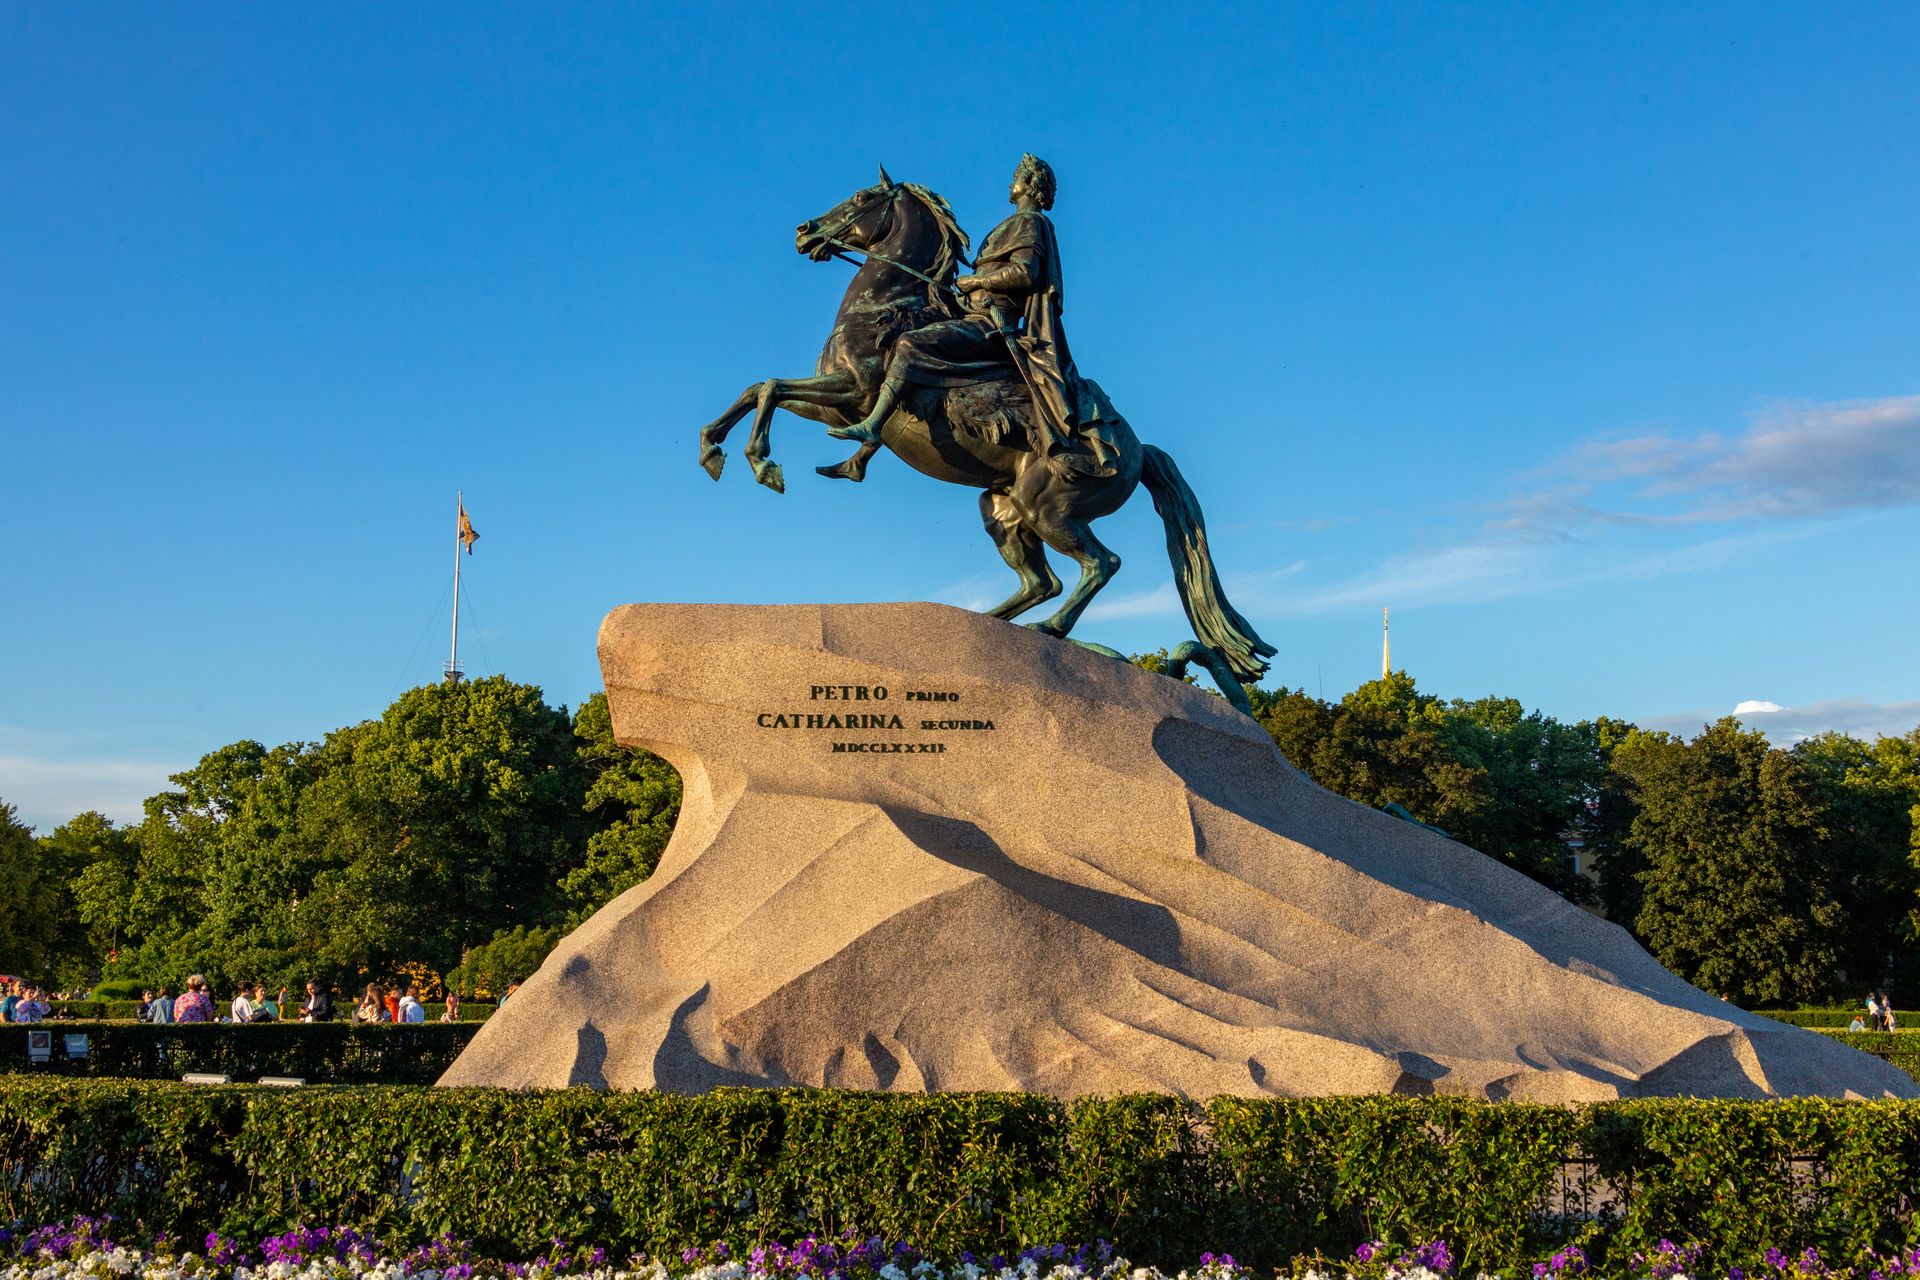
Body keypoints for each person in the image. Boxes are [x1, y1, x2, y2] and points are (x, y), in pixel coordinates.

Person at [827, 154, 1112, 479]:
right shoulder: (1014, 223)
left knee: (908, 345)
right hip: (974, 312)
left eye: (1016, 177)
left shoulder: (1029, 222)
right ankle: (860, 459)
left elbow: (1026, 272)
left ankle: (873, 426)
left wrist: (976, 281)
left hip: (991, 322)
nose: (1011, 183)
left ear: (1030, 185)